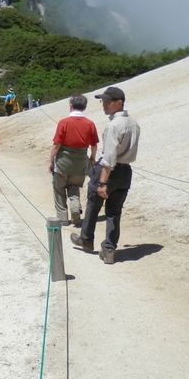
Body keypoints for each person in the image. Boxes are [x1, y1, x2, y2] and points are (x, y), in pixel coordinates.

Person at [70, 86, 140, 264]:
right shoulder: (134, 123)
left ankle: (86, 239)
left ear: (119, 103)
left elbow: (109, 159)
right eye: (103, 101)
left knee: (93, 205)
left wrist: (102, 183)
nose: (104, 104)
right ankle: (109, 249)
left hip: (107, 171)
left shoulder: (113, 126)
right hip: (125, 171)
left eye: (108, 102)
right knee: (114, 211)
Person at [49, 94, 98, 227]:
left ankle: (63, 219)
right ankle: (75, 212)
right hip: (80, 163)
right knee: (74, 188)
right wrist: (92, 158)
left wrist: (51, 161)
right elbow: (94, 145)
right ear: (85, 107)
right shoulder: (90, 124)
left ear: (70, 106)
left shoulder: (63, 122)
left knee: (59, 190)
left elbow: (56, 145)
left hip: (62, 163)